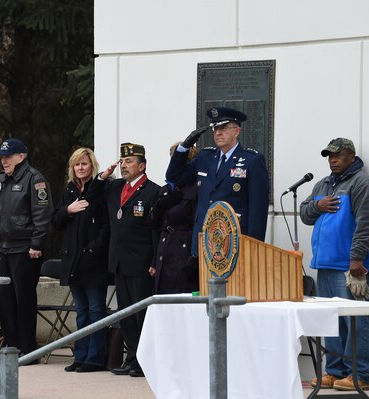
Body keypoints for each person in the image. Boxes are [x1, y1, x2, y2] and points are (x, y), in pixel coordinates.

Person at [301, 138, 369, 391]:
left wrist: (356, 259)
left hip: (351, 266)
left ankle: (360, 375)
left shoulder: (362, 184)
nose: (332, 160)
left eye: (338, 156)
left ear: (352, 156)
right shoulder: (323, 184)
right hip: (324, 264)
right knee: (330, 320)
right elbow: (305, 214)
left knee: (355, 320)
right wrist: (318, 204)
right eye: (329, 156)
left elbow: (367, 225)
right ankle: (334, 372)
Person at [0, 138, 52, 359]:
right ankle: (12, 347)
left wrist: (37, 244)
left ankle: (28, 349)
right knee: (6, 300)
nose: (4, 161)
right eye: (2, 158)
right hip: (4, 248)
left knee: (23, 299)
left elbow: (42, 215)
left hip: (25, 249)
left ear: (21, 157)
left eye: (8, 157)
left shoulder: (34, 179)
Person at [90, 142, 159, 378]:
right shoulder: (115, 187)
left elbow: (155, 230)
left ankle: (145, 360)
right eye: (122, 161)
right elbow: (91, 196)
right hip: (119, 260)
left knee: (141, 313)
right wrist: (103, 177)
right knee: (126, 313)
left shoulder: (153, 191)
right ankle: (132, 358)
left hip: (140, 261)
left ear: (142, 165)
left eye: (129, 161)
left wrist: (154, 261)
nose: (124, 165)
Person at [165, 107, 269, 262]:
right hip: (205, 241)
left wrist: (254, 247)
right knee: (206, 287)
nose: (218, 133)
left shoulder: (252, 160)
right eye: (215, 128)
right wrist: (184, 147)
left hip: (234, 243)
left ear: (237, 131)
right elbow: (174, 177)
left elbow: (258, 209)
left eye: (223, 128)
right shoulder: (205, 157)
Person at [51, 148, 110, 373]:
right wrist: (69, 209)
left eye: (84, 164)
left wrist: (93, 249)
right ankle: (81, 354)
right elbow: (55, 221)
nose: (80, 168)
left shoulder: (100, 189)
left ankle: (95, 358)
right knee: (81, 311)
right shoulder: (69, 190)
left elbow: (106, 227)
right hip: (73, 261)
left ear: (91, 165)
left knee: (96, 310)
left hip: (93, 261)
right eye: (77, 164)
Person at [147, 143, 199, 294]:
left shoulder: (196, 189)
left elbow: (196, 224)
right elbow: (152, 224)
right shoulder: (165, 190)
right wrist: (160, 206)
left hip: (183, 249)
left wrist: (193, 259)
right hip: (165, 247)